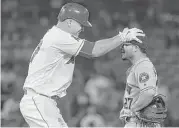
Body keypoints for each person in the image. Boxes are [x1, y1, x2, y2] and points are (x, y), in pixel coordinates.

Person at [19, 2, 145, 127]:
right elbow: (94, 50)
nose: (83, 28)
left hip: (44, 101)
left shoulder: (55, 35)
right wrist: (122, 37)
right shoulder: (59, 36)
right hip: (39, 99)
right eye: (81, 24)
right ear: (69, 22)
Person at [119, 37, 166, 127]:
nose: (122, 48)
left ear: (136, 48)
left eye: (126, 45)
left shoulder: (143, 65)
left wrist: (132, 110)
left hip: (140, 123)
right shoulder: (138, 66)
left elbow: (148, 93)